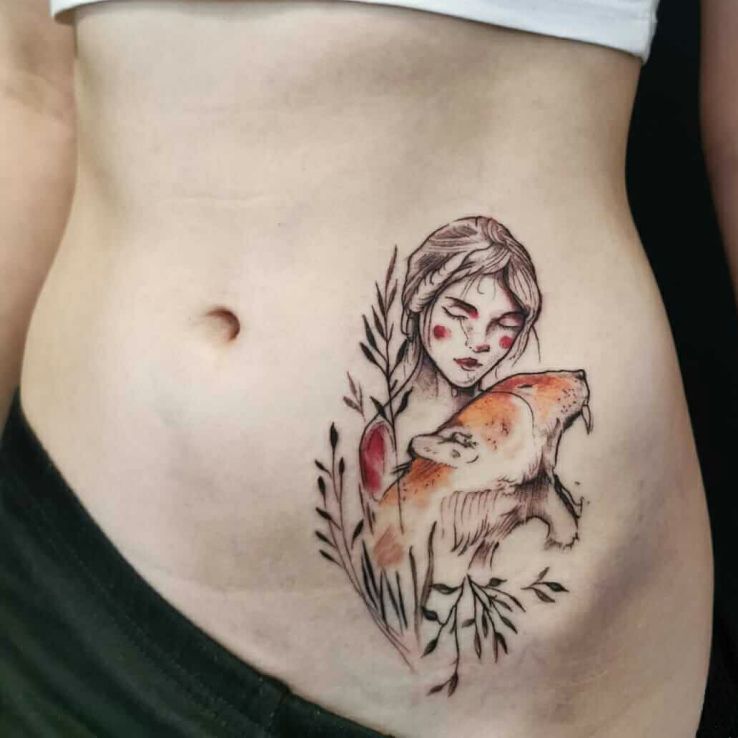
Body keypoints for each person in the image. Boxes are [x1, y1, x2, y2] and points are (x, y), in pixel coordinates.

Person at [0, 0, 718, 736]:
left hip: (491, 698)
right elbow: (31, 94)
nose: (481, 342)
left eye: (504, 326)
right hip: (77, 604)